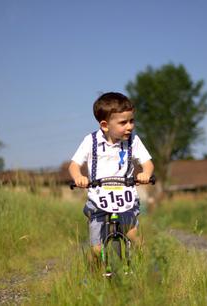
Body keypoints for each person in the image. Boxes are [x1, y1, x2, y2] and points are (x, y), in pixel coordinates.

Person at [68, 92, 154, 261]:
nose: (129, 126)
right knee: (96, 249)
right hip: (98, 198)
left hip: (125, 197)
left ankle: (149, 267)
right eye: (123, 122)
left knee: (133, 235)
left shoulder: (133, 141)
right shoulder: (90, 141)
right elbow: (74, 165)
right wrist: (79, 177)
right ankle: (99, 273)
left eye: (131, 121)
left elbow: (148, 163)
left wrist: (146, 173)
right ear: (105, 125)